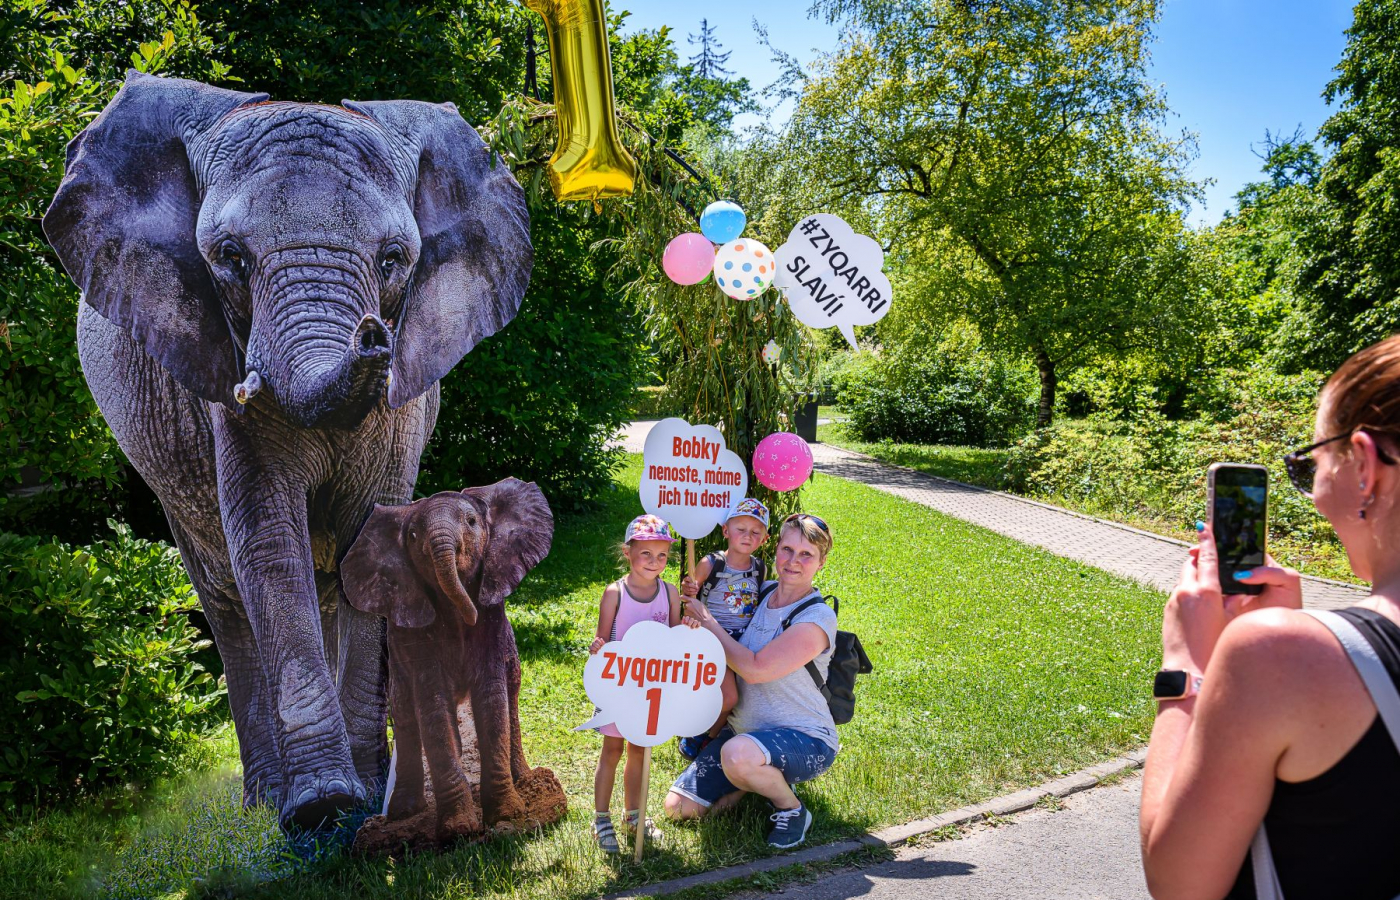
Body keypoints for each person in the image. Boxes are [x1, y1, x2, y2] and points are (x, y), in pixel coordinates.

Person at [1140, 334, 1400, 900]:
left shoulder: (1276, 652)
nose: (1311, 492)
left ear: (1366, 466)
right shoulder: (1291, 652)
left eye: (1312, 461)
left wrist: (1184, 669)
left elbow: (1178, 884)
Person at [665, 512, 839, 850]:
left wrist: (709, 623)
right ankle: (750, 778)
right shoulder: (763, 591)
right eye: (788, 549)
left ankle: (791, 809)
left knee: (738, 754)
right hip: (744, 732)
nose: (793, 561)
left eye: (807, 555)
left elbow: (756, 669)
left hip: (805, 738)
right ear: (775, 549)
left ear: (821, 562)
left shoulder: (816, 617)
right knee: (678, 810)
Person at [589, 514, 684, 854]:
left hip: (651, 691)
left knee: (640, 751)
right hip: (618, 687)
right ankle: (601, 818)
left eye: (662, 556)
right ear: (628, 553)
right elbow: (602, 639)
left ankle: (634, 817)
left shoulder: (670, 593)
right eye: (646, 554)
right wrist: (598, 647)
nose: (655, 562)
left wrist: (689, 632)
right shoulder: (615, 593)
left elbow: (675, 642)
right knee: (612, 750)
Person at [676, 497, 772, 760]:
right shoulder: (712, 563)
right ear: (726, 531)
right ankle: (698, 735)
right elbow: (689, 596)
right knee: (728, 698)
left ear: (764, 539)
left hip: (741, 644)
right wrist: (689, 590)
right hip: (711, 639)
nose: (747, 536)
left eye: (755, 532)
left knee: (733, 698)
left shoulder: (759, 568)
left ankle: (710, 737)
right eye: (740, 529)